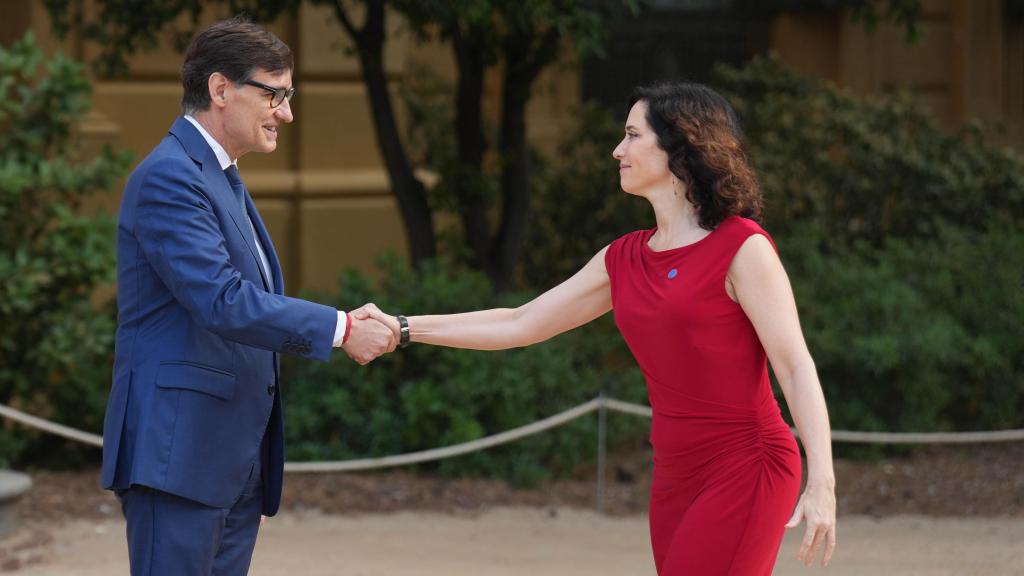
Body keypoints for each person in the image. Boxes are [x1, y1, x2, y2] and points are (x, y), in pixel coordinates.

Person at [361, 82, 837, 574]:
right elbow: (520, 322)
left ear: (681, 148)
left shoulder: (742, 247)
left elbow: (794, 366)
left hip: (748, 464)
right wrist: (402, 327)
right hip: (674, 474)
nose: (618, 150)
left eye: (632, 135)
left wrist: (822, 481)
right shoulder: (624, 258)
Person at [101, 16, 395, 576]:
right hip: (178, 459)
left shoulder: (219, 175)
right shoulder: (170, 176)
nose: (286, 112)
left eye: (289, 96)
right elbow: (224, 301)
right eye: (274, 94)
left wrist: (247, 472)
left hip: (225, 464)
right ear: (220, 89)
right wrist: (344, 329)